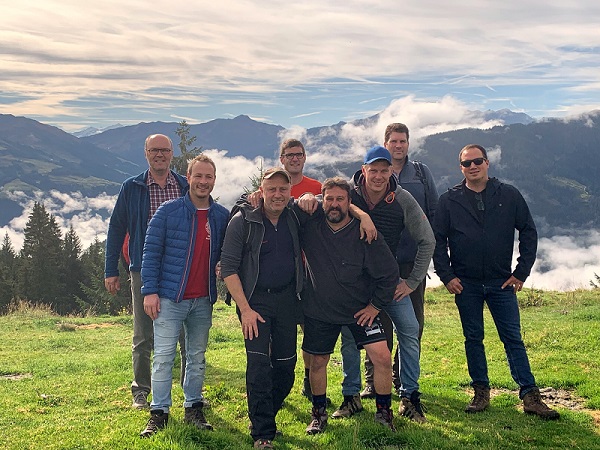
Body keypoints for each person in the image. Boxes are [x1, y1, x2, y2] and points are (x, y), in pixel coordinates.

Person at [432, 144, 559, 419]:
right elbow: (436, 241)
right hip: (465, 283)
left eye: (477, 161)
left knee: (513, 338)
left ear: (487, 163)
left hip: (501, 281)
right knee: (473, 338)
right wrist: (447, 276)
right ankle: (481, 392)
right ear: (461, 168)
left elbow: (528, 231)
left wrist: (521, 272)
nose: (472, 166)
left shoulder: (509, 195)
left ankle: (530, 396)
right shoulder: (449, 200)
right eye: (467, 163)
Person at [334, 146, 435, 422]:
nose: (378, 176)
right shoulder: (350, 194)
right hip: (354, 284)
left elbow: (428, 240)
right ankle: (351, 396)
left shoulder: (403, 199)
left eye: (384, 170)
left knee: (410, 332)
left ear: (392, 170)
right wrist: (361, 213)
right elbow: (327, 200)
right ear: (363, 170)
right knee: (349, 339)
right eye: (373, 170)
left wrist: (413, 281)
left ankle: (409, 397)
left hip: (389, 283)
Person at [297, 177, 399, 434]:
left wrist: (375, 307)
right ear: (322, 201)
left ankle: (384, 413)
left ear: (349, 202)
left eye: (340, 199)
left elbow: (389, 273)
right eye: (329, 199)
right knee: (317, 361)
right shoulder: (310, 224)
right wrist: (305, 198)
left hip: (360, 310)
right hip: (320, 309)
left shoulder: (365, 231)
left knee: (382, 356)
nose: (334, 204)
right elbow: (275, 201)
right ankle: (319, 414)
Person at [139, 154, 229, 437]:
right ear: (188, 178)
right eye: (198, 176)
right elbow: (150, 254)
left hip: (203, 299)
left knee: (197, 356)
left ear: (214, 180)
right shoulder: (167, 212)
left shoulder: (221, 216)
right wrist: (149, 292)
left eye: (209, 177)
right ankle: (159, 412)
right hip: (168, 298)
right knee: (164, 357)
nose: (203, 182)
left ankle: (193, 407)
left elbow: (227, 253)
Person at [220, 168, 304, 450]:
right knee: (258, 366)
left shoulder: (294, 216)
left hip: (287, 301)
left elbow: (334, 199)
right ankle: (263, 434)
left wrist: (364, 217)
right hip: (254, 302)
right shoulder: (243, 221)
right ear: (262, 191)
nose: (277, 195)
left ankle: (263, 415)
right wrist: (245, 309)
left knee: (286, 366)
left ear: (290, 192)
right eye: (271, 189)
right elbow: (229, 269)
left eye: (283, 189)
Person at [104, 134, 189, 409]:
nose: (160, 155)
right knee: (143, 333)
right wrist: (111, 270)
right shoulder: (132, 187)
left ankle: (190, 392)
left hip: (180, 267)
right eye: (154, 150)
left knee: (186, 333)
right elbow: (117, 228)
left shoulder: (184, 185)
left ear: (172, 153)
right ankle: (141, 391)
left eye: (164, 150)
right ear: (146, 153)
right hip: (143, 267)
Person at [360, 123, 439, 398]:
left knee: (411, 326)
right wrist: (362, 215)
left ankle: (403, 383)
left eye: (402, 141)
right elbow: (337, 200)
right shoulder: (358, 187)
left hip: (407, 264)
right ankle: (373, 381)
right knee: (376, 326)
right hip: (369, 273)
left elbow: (431, 219)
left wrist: (417, 276)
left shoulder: (419, 174)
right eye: (393, 141)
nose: (398, 145)